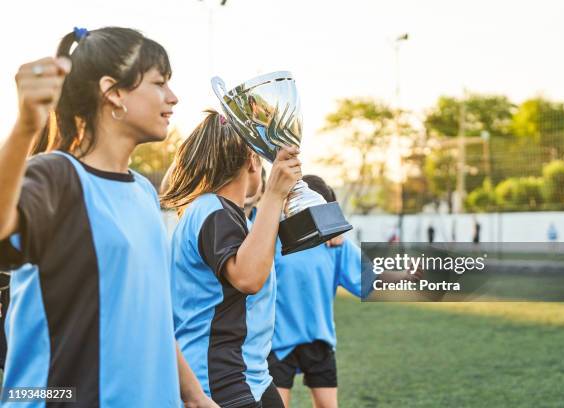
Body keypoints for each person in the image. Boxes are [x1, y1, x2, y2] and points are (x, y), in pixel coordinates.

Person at [0, 27, 214, 407]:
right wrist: (25, 128)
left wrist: (195, 397)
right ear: (113, 92)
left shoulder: (144, 193)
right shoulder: (58, 175)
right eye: (159, 83)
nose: (172, 97)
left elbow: (153, 318)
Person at [161, 110, 301, 408]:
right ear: (252, 159)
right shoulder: (212, 210)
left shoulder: (228, 215)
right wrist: (273, 194)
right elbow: (248, 278)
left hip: (252, 375)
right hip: (219, 379)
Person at [266, 175, 363, 408]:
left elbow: (369, 279)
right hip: (277, 342)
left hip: (318, 339)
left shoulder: (336, 244)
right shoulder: (271, 238)